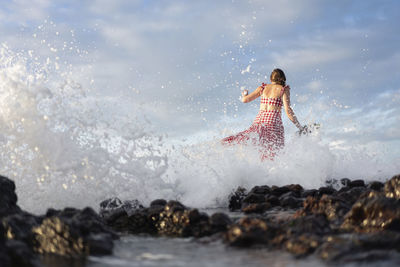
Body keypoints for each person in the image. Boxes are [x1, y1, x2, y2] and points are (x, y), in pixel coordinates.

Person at [221, 68, 304, 160]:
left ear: (270, 79)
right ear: (283, 78)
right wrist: (300, 127)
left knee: (250, 139)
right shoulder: (283, 89)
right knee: (274, 153)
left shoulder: (263, 88)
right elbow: (288, 111)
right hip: (273, 123)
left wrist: (245, 94)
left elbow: (245, 100)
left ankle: (222, 144)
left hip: (260, 121)